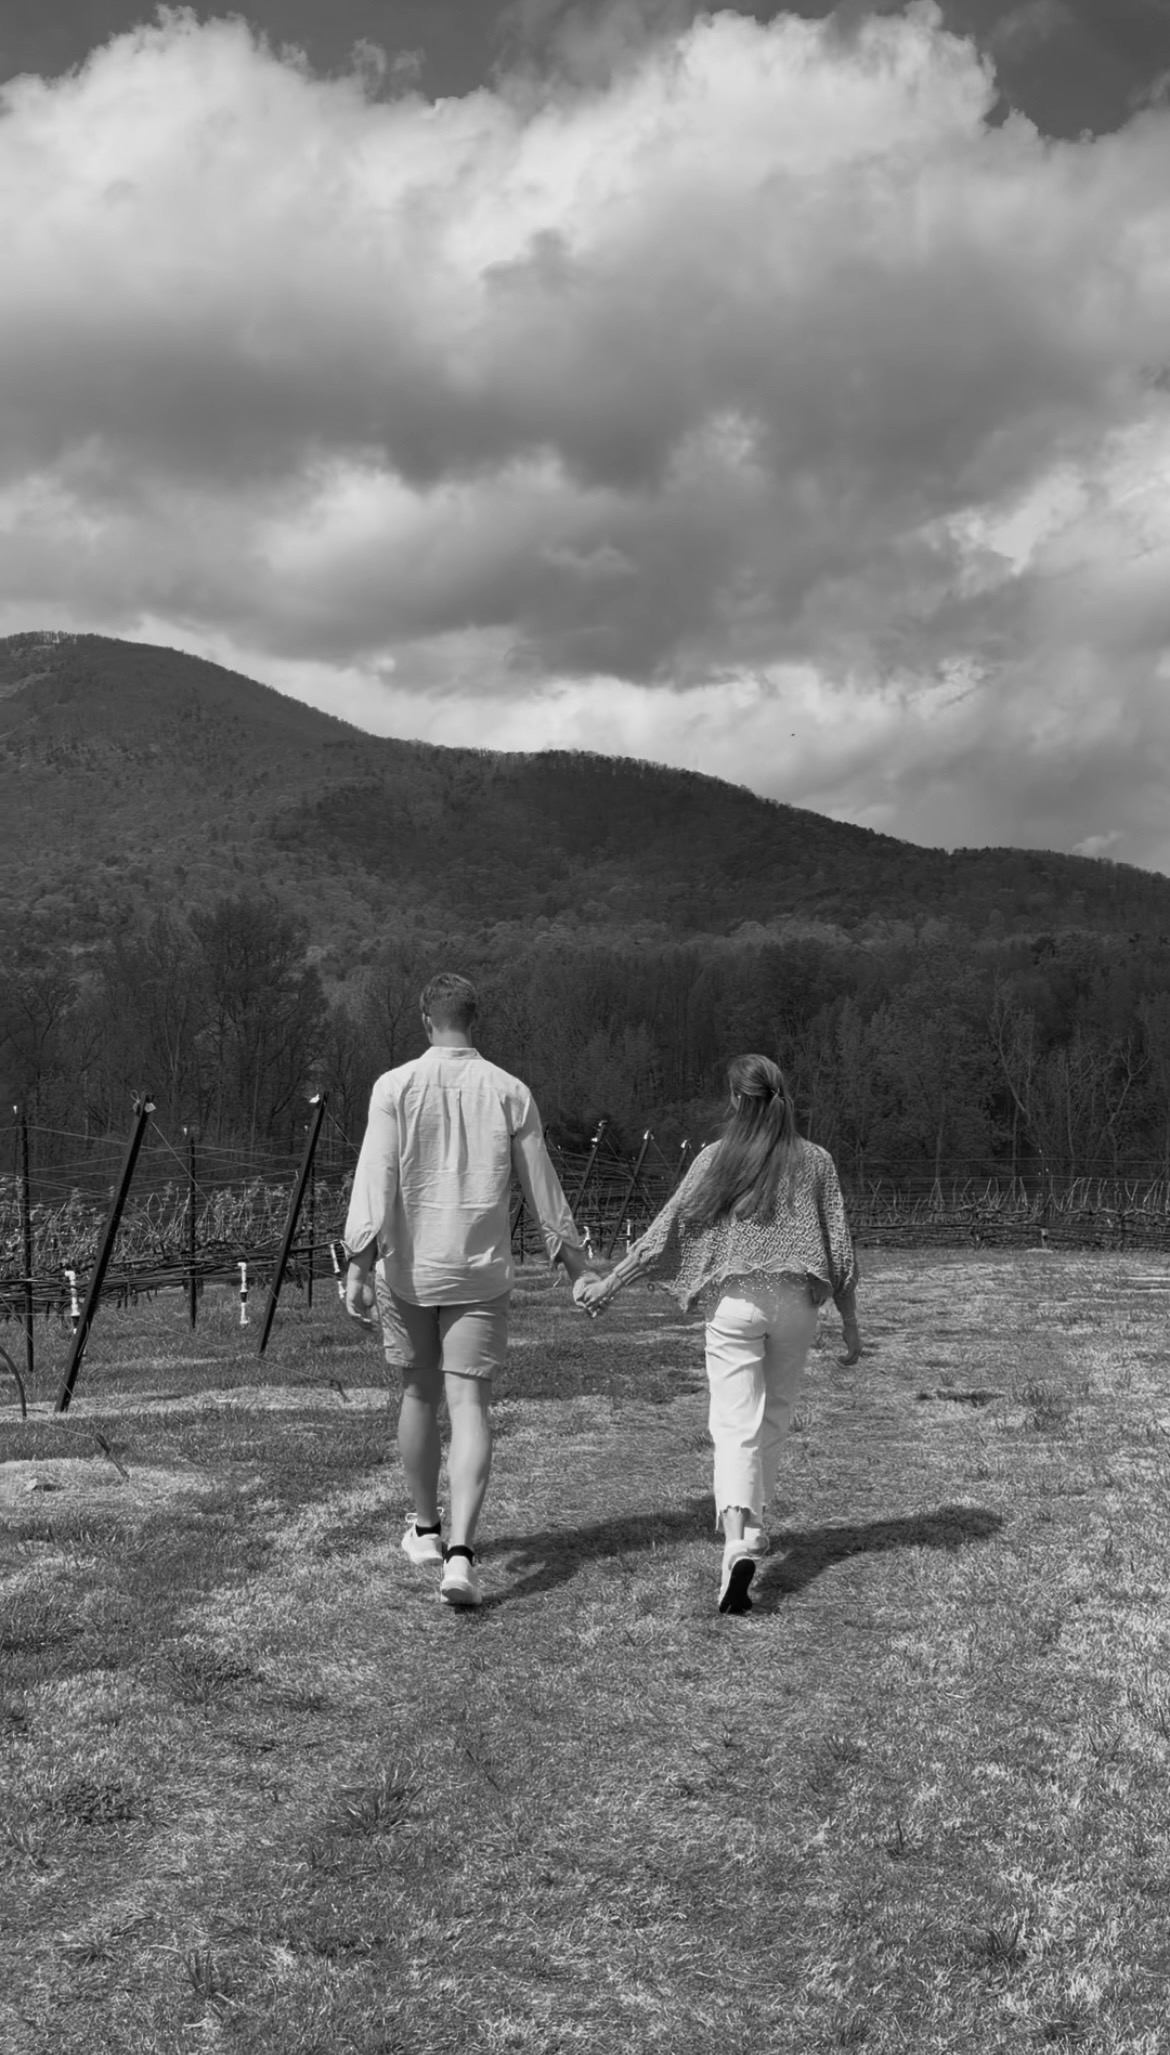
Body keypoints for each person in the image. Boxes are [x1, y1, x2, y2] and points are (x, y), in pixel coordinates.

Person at [343, 972, 595, 1607]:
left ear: (426, 1020)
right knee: (471, 1407)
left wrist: (357, 1260)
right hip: (479, 1272)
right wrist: (573, 1263)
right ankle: (460, 1555)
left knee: (418, 1396)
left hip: (407, 1270)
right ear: (472, 1020)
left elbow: (374, 1175)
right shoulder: (510, 1091)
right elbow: (543, 1184)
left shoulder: (393, 1087)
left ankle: (424, 1530)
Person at [579, 1054, 860, 1615]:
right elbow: (841, 1250)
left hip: (734, 1302)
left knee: (734, 1423)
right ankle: (754, 1525)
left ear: (735, 1100)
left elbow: (667, 1229)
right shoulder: (816, 1161)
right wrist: (851, 1324)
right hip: (797, 1302)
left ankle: (737, 1539)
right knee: (774, 1414)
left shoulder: (716, 1158)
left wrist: (612, 1281)